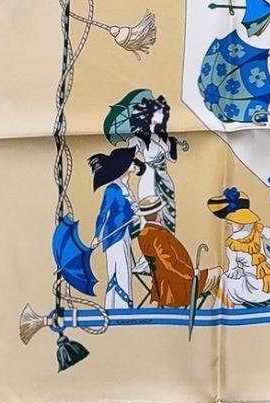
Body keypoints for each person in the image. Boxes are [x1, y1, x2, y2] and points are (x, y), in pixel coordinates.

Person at [136, 196, 220, 308]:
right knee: (219, 273)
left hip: (164, 284)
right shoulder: (158, 235)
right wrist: (192, 273)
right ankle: (224, 310)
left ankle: (220, 308)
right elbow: (170, 264)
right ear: (159, 213)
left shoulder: (144, 234)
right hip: (177, 286)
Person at [208, 188, 270, 307]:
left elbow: (233, 271)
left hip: (258, 290)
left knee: (224, 280)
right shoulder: (258, 229)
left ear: (229, 220)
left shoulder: (232, 244)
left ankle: (222, 310)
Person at [89, 148, 143, 310]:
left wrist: (135, 217)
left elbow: (129, 212)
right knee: (121, 270)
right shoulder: (113, 189)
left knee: (124, 269)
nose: (134, 162)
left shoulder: (126, 187)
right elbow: (103, 213)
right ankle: (119, 308)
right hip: (114, 236)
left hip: (124, 234)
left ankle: (117, 306)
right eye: (130, 161)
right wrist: (97, 236)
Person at [125, 90, 180, 231]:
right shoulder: (139, 138)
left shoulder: (163, 136)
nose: (162, 115)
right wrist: (140, 164)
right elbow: (127, 156)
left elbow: (172, 159)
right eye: (158, 113)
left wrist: (173, 144)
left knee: (167, 212)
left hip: (164, 177)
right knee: (149, 211)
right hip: (148, 177)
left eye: (162, 113)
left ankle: (167, 239)